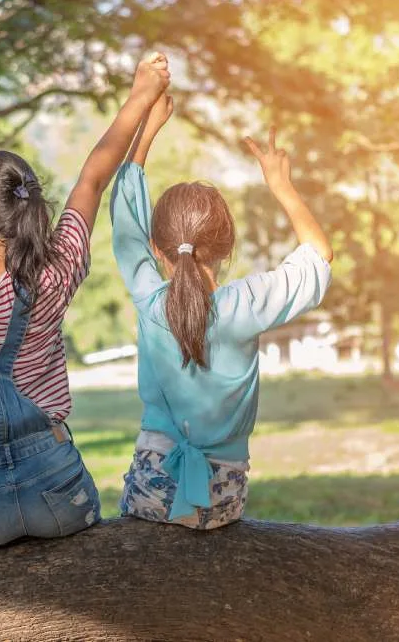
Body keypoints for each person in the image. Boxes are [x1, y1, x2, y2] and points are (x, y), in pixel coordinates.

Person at [0, 42, 171, 548]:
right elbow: (93, 178)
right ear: (29, 208)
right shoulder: (54, 269)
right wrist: (141, 96)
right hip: (56, 493)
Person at [113, 96, 333, 529]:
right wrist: (281, 186)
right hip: (223, 499)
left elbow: (125, 225)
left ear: (157, 250)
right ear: (226, 248)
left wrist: (146, 133)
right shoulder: (247, 305)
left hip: (152, 489)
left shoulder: (149, 299)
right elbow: (319, 256)